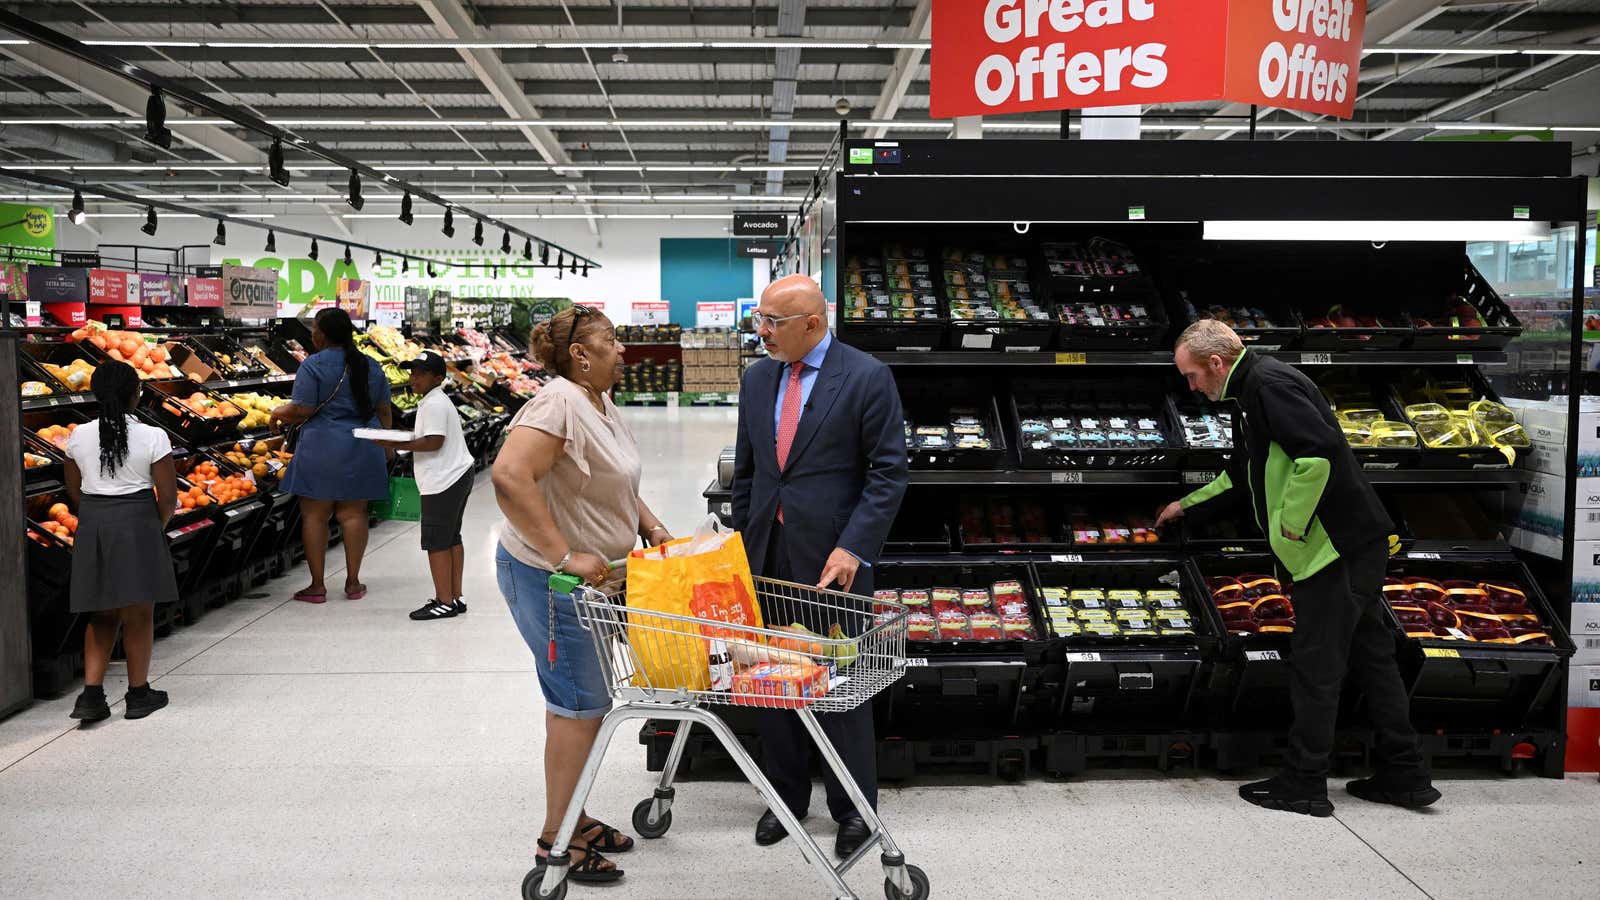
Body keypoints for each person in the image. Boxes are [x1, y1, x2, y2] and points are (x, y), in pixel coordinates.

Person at [1155, 319, 1440, 815]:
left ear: (1216, 363)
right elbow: (1244, 473)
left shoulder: (1269, 386)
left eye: (1193, 375)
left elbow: (1318, 458)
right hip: (1355, 545)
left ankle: (1305, 783)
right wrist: (1187, 506)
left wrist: (1290, 526)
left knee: (1317, 667)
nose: (1192, 386)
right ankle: (1406, 773)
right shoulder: (1252, 391)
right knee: (1373, 659)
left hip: (1332, 551)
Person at [491, 305, 674, 885]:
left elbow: (615, 478)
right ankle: (556, 841)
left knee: (587, 704)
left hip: (596, 582)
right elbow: (509, 476)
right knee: (578, 705)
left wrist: (648, 523)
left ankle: (577, 815)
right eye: (613, 341)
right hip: (553, 581)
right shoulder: (557, 403)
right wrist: (563, 555)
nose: (624, 350)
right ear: (580, 354)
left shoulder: (599, 401)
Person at [732, 274, 909, 858]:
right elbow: (751, 469)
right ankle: (783, 798)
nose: (762, 333)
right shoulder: (758, 378)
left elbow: (887, 474)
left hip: (837, 561)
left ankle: (853, 807)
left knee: (844, 682)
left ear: (812, 322)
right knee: (771, 677)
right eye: (760, 319)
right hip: (767, 555)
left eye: (773, 322)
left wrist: (854, 546)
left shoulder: (865, 377)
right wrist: (743, 536)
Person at [62, 361, 180, 722]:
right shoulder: (153, 436)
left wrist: (98, 517)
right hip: (138, 521)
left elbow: (73, 489)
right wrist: (153, 526)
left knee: (100, 613)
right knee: (139, 613)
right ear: (136, 393)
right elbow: (169, 496)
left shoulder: (79, 435)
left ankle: (92, 695)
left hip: (94, 522)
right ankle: (139, 693)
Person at [271, 307, 394, 603]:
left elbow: (302, 409)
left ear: (322, 334)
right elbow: (384, 410)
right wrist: (386, 443)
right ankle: (353, 582)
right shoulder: (370, 365)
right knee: (353, 515)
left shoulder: (312, 365)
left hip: (321, 446)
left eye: (314, 328)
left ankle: (317, 586)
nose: (312, 333)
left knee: (315, 516)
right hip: (363, 444)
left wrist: (278, 413)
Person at [370, 350, 475, 621]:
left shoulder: (434, 404)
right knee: (451, 537)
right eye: (412, 371)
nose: (413, 377)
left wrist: (393, 443)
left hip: (444, 479)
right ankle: (454, 596)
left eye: (421, 373)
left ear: (438, 377)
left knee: (436, 541)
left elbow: (433, 442)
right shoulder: (434, 400)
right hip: (455, 473)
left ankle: (444, 601)